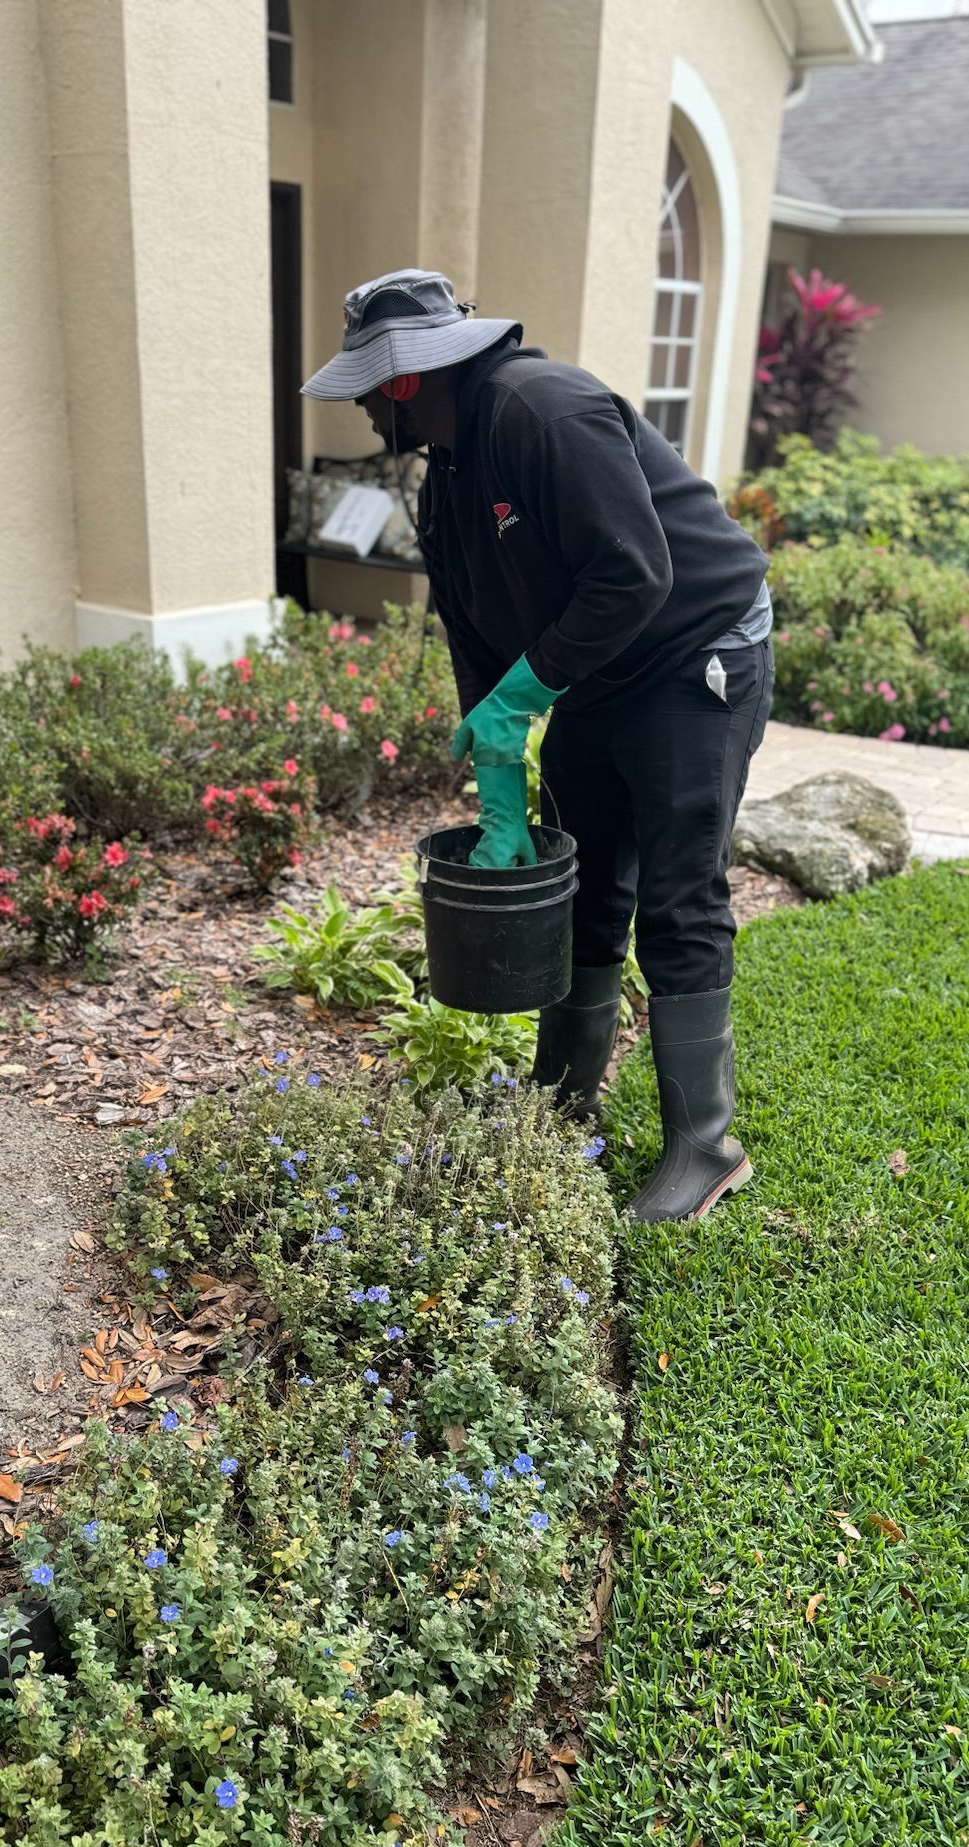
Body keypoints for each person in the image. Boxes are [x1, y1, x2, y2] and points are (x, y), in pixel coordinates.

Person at [303, 269, 773, 1224]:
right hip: (599, 672)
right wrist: (501, 798)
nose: (358, 407)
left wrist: (530, 686)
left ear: (401, 384)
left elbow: (636, 573)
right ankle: (562, 1100)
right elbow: (480, 655)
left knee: (679, 895)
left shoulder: (542, 411)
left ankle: (704, 1147)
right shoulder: (446, 483)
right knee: (588, 885)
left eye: (363, 388)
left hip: (696, 654)